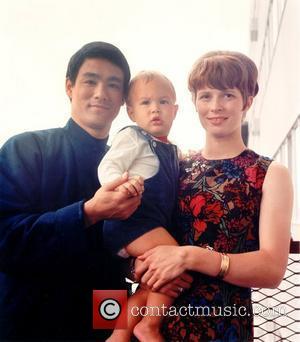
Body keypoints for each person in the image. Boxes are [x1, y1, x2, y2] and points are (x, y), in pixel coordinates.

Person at [135, 51, 293, 341]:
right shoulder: (174, 164)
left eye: (228, 95)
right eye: (206, 96)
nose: (215, 106)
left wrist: (190, 256)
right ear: (194, 102)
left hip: (224, 326)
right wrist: (137, 265)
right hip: (155, 324)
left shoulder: (270, 173)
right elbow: (141, 227)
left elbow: (272, 269)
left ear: (247, 101)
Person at [0, 41, 144, 340]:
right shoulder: (25, 148)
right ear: (69, 86)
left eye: (113, 85)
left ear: (123, 101)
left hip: (104, 322)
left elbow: (133, 247)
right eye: (90, 81)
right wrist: (88, 212)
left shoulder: (134, 168)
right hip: (29, 325)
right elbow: (6, 239)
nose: (101, 93)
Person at [98, 71, 192, 342]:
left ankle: (119, 334)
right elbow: (109, 165)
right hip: (131, 222)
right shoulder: (134, 137)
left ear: (175, 110)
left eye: (163, 102)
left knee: (148, 285)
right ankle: (149, 325)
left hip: (148, 226)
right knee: (174, 257)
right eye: (145, 103)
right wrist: (120, 185)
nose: (155, 109)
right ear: (130, 112)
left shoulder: (173, 150)